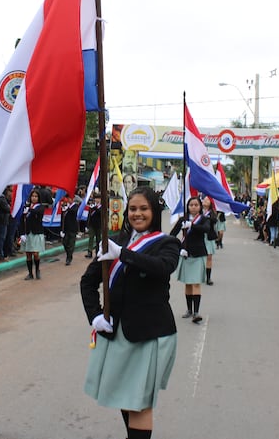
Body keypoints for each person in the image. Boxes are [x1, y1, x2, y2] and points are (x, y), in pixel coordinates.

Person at [80, 186, 180, 439]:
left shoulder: (166, 243)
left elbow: (162, 267)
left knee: (139, 401)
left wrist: (122, 255)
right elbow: (88, 282)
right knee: (126, 397)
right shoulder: (115, 241)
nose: (137, 214)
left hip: (149, 334)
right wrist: (95, 315)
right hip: (118, 334)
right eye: (133, 209)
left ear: (154, 211)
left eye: (144, 208)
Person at [171, 196, 209, 323]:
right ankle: (189, 310)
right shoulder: (183, 219)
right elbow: (172, 235)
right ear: (187, 206)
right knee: (187, 283)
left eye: (196, 205)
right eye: (191, 205)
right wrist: (178, 248)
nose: (193, 207)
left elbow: (206, 229)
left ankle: (197, 311)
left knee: (196, 282)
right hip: (186, 254)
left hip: (198, 254)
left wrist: (192, 225)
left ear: (200, 207)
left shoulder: (203, 219)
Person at [21, 188, 45, 280]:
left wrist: (29, 209)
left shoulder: (40, 207)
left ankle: (37, 270)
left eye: (36, 196)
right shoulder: (26, 207)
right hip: (27, 232)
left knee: (35, 253)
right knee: (28, 254)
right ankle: (30, 273)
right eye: (32, 196)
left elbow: (38, 213)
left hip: (36, 232)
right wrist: (22, 233)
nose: (34, 198)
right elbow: (22, 220)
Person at [201, 196, 218, 284]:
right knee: (200, 257)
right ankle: (200, 275)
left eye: (207, 200)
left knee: (209, 257)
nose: (205, 200)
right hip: (199, 236)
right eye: (204, 199)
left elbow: (214, 220)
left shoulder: (212, 213)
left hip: (209, 237)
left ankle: (208, 277)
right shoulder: (199, 211)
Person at [61, 195, 80, 266]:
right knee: (65, 243)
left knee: (71, 244)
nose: (69, 199)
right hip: (66, 228)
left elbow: (74, 211)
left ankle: (69, 258)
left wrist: (67, 209)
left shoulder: (75, 206)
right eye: (68, 198)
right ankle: (68, 254)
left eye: (70, 198)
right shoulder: (65, 206)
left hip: (73, 228)